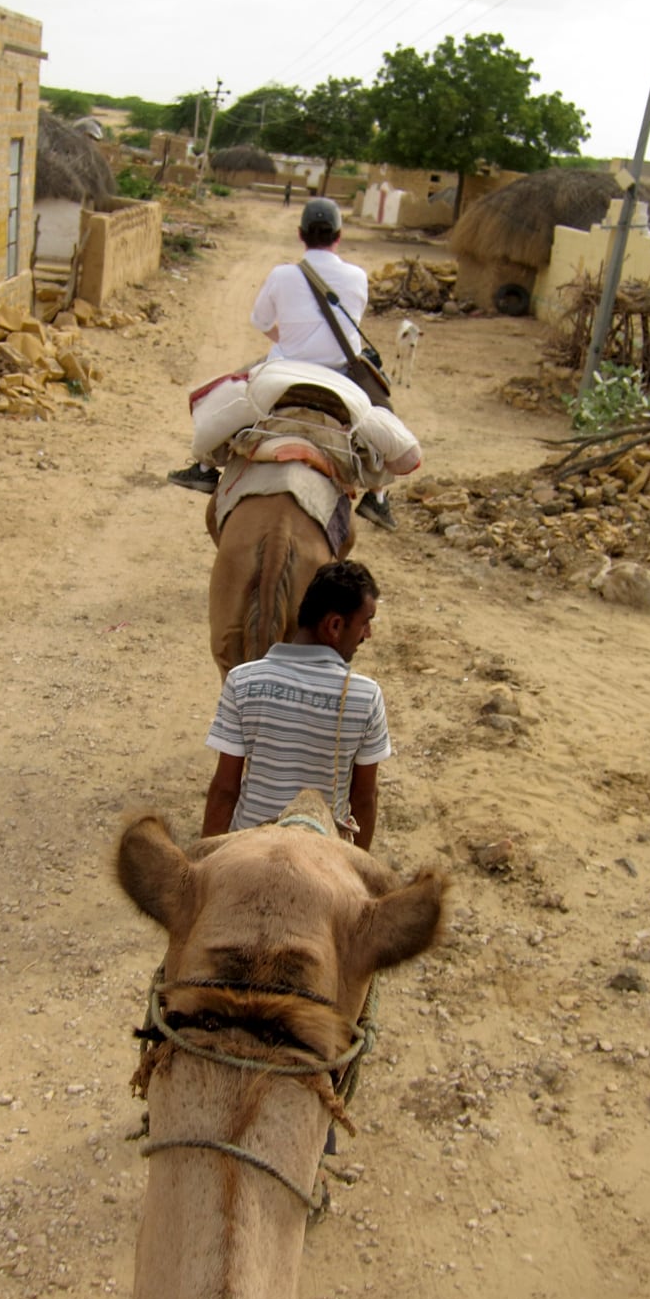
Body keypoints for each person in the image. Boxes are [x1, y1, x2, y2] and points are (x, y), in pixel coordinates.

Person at [169, 198, 399, 531]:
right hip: (341, 374)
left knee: (223, 394)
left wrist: (288, 341)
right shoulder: (357, 277)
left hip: (282, 370)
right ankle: (377, 497)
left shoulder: (282, 274)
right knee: (384, 415)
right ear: (338, 235)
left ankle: (205, 469)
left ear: (300, 234)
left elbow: (260, 320)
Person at [202, 560, 389, 850]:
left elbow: (225, 790)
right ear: (335, 626)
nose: (367, 634)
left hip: (248, 850)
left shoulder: (242, 681)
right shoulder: (366, 697)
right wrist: (357, 869)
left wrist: (207, 862)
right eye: (366, 621)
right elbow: (364, 798)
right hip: (323, 857)